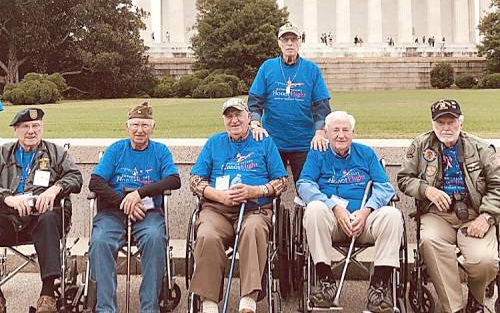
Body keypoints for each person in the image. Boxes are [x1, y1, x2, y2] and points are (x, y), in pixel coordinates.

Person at [398, 99, 500, 313]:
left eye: (451, 122)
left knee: (485, 261)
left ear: (460, 122)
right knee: (429, 242)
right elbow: (404, 179)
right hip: (437, 215)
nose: (446, 128)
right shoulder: (420, 145)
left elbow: (497, 185)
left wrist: (487, 216)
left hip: (475, 215)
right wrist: (427, 190)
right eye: (440, 122)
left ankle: (476, 296)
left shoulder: (481, 148)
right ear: (433, 124)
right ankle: (454, 308)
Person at [297, 110, 403, 313]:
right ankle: (326, 282)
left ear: (353, 133)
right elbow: (305, 184)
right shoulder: (318, 154)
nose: (341, 135)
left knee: (392, 215)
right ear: (326, 133)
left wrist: (366, 211)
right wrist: (334, 207)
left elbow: (385, 187)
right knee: (315, 209)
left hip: (365, 220)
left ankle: (378, 289)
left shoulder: (366, 153)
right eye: (335, 130)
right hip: (333, 222)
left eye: (346, 130)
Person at [189, 98, 288, 313]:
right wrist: (218, 195)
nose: (234, 120)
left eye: (238, 115)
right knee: (206, 234)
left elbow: (282, 181)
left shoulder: (265, 142)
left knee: (253, 230)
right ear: (224, 120)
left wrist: (257, 191)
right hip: (218, 209)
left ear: (249, 118)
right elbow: (195, 180)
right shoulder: (214, 143)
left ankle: (248, 300)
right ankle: (209, 302)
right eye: (229, 116)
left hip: (255, 209)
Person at [88, 102, 181, 313]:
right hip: (113, 212)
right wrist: (125, 203)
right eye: (135, 124)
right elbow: (95, 182)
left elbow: (174, 180)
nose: (140, 130)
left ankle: (149, 307)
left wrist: (139, 193)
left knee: (155, 238)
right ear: (127, 126)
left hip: (147, 212)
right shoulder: (116, 149)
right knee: (100, 241)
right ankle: (105, 308)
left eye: (145, 125)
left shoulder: (160, 151)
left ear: (153, 126)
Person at [0, 108, 83, 313]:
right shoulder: (3, 153)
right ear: (15, 130)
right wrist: (8, 198)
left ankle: (47, 295)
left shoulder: (56, 153)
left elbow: (76, 177)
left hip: (43, 216)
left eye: (36, 126)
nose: (31, 131)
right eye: (25, 127)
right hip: (10, 218)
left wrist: (55, 189)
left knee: (47, 219)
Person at [248, 23, 331, 182]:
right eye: (285, 39)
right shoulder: (268, 67)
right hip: (272, 142)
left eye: (294, 39)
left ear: (300, 41)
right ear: (279, 42)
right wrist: (255, 123)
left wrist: (320, 132)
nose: (290, 43)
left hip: (304, 143)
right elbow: (255, 101)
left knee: (306, 188)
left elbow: (321, 105)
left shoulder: (311, 69)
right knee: (270, 189)